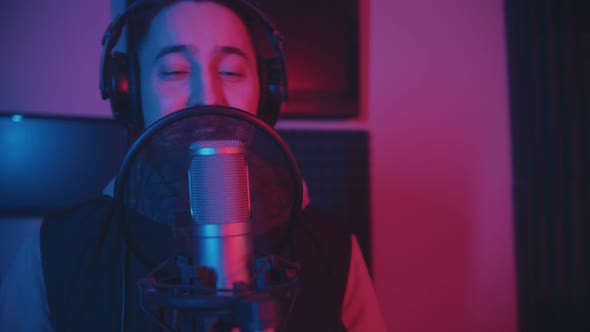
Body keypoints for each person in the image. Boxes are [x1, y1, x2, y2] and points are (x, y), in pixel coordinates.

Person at [0, 0, 386, 331]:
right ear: (129, 93)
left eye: (231, 72)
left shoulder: (334, 250)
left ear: (265, 93)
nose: (208, 96)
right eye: (174, 71)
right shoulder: (52, 252)